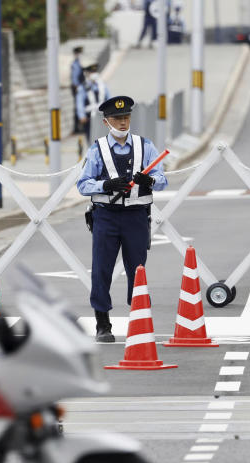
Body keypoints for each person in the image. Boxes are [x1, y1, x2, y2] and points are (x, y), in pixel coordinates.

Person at [77, 96, 167, 343]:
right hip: (105, 216)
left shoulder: (145, 146)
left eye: (126, 117)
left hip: (136, 217)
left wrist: (150, 181)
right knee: (101, 270)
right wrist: (105, 184)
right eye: (117, 118)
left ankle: (139, 320)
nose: (123, 122)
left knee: (137, 269)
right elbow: (83, 185)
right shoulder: (97, 149)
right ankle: (102, 324)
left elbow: (162, 179)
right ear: (107, 122)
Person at [75, 63, 110, 144]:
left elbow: (109, 98)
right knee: (91, 139)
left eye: (95, 71)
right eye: (91, 72)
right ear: (86, 73)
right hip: (89, 118)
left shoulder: (103, 85)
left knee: (105, 139)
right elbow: (79, 103)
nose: (94, 74)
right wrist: (82, 116)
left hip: (103, 116)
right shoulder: (83, 87)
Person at [70, 46, 84, 134]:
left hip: (78, 87)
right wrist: (77, 87)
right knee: (77, 107)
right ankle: (76, 128)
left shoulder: (78, 63)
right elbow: (75, 78)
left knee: (79, 106)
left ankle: (78, 127)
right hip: (77, 87)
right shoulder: (75, 64)